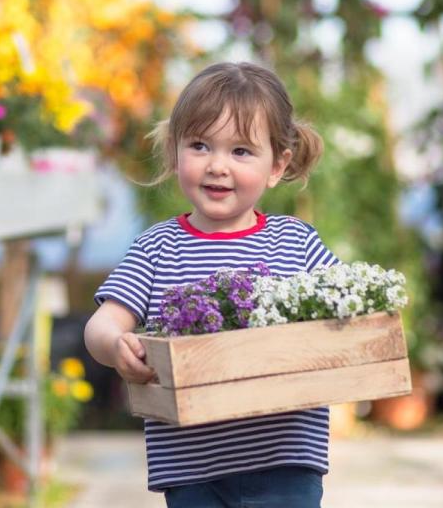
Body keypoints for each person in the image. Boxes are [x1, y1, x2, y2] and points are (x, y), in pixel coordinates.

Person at [84, 61, 338, 507]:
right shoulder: (158, 247)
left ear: (277, 165)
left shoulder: (295, 243)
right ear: (174, 152)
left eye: (241, 151)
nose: (217, 166)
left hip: (284, 462)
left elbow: (348, 312)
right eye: (200, 146)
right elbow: (102, 324)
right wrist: (116, 346)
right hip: (192, 469)